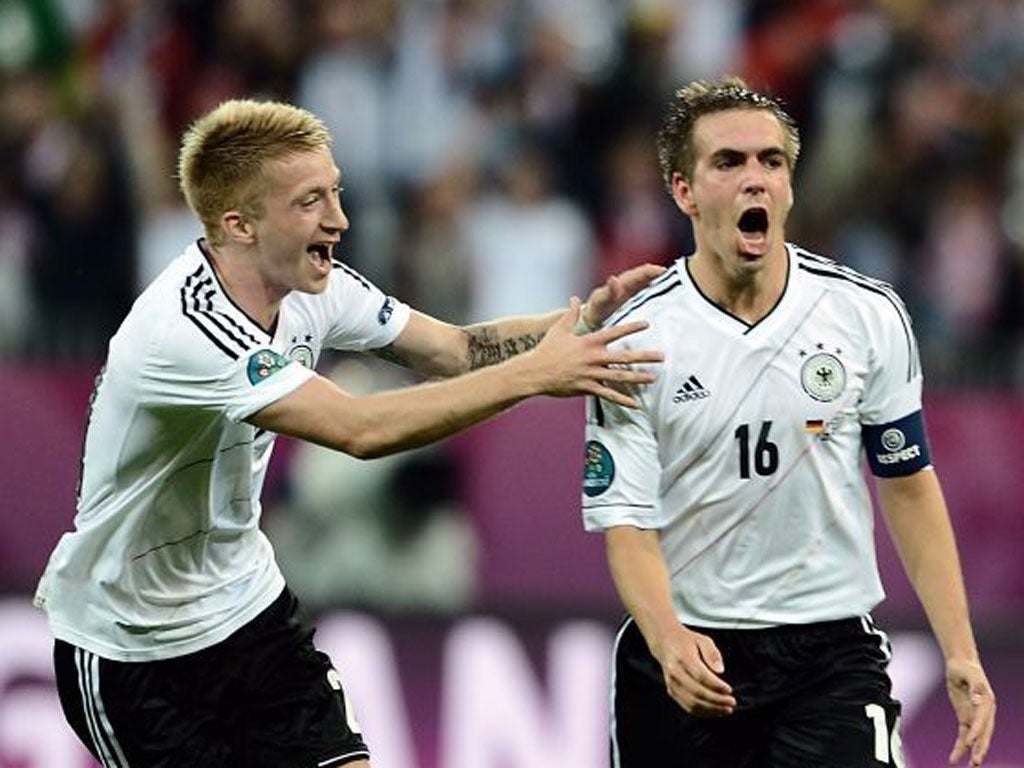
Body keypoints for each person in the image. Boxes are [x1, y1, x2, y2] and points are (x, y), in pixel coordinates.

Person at [33, 98, 664, 768]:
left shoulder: (314, 287)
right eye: (311, 201)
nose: (340, 217)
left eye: (334, 190)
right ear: (240, 224)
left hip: (248, 613)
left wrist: (575, 325)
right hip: (134, 648)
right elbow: (359, 429)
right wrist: (537, 375)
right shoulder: (183, 331)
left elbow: (453, 348)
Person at [581, 77, 996, 768]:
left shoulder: (865, 316)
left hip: (829, 658)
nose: (756, 180)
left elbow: (908, 481)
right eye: (729, 162)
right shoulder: (633, 338)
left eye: (771, 162)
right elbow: (627, 520)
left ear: (791, 185)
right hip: (688, 651)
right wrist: (665, 635)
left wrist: (960, 649)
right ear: (684, 191)